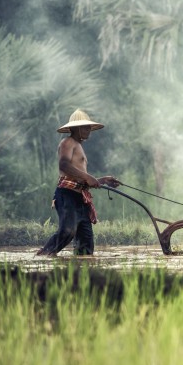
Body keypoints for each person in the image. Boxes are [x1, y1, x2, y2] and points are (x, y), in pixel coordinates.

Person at [36, 109, 120, 256]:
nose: (88, 130)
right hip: (67, 196)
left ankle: (80, 271)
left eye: (89, 127)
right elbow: (64, 165)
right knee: (68, 231)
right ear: (75, 128)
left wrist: (104, 180)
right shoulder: (67, 142)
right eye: (84, 127)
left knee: (86, 243)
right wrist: (88, 177)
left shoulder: (79, 146)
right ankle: (42, 257)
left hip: (80, 198)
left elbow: (81, 179)